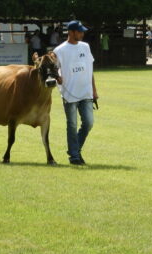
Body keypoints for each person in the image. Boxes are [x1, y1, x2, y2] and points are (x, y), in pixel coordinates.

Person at [53, 20, 98, 165]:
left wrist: (94, 90)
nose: (82, 33)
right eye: (79, 31)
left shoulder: (85, 47)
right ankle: (74, 156)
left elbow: (89, 70)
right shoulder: (59, 51)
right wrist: (57, 78)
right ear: (71, 32)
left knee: (89, 123)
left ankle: (74, 149)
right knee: (72, 125)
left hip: (86, 93)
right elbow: (53, 70)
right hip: (69, 93)